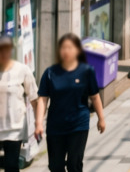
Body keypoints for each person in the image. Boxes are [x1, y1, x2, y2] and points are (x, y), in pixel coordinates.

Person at [35, 34, 104, 172]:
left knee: (74, 164)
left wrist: (101, 118)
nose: (66, 51)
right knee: (55, 166)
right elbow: (43, 98)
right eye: (63, 48)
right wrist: (38, 123)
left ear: (77, 50)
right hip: (56, 126)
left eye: (70, 48)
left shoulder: (86, 71)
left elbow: (95, 96)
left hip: (78, 124)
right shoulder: (50, 73)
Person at [0, 36, 37, 172]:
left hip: (14, 129)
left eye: (6, 51)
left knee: (11, 166)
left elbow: (34, 97)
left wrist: (39, 124)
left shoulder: (22, 70)